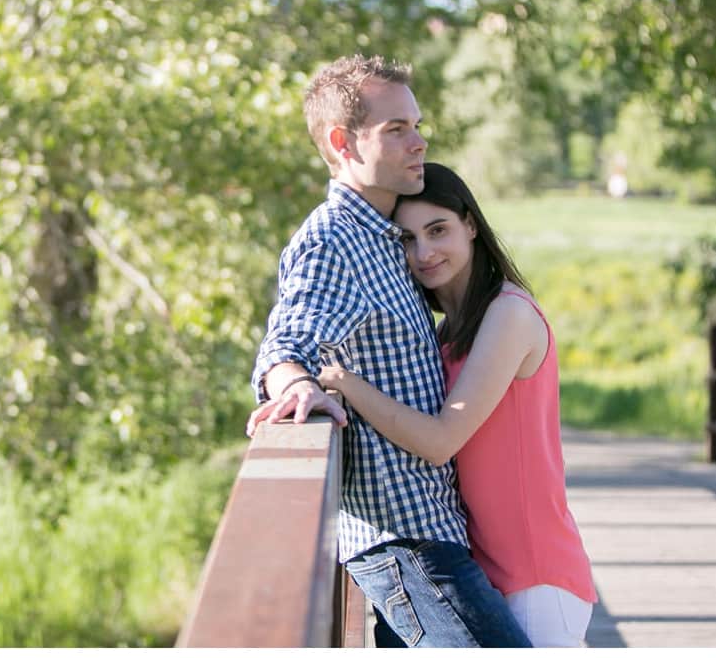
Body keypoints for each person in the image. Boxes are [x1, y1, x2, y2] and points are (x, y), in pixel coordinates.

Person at [246, 55, 530, 648]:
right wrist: (296, 385)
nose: (419, 142)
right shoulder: (333, 239)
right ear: (341, 143)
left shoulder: (389, 240)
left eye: (418, 125)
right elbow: (285, 343)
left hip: (435, 534)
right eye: (396, 130)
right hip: (406, 544)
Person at [316, 162, 597, 647]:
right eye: (407, 239)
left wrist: (341, 381)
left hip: (534, 574)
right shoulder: (446, 334)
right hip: (481, 567)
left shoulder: (508, 313)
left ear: (470, 224)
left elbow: (441, 440)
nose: (424, 252)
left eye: (438, 230)